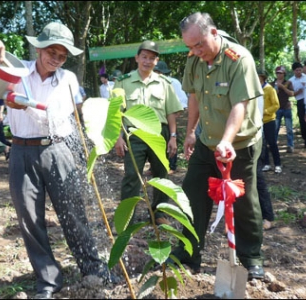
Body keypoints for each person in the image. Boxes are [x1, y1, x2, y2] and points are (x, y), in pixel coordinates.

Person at [0, 22, 117, 299]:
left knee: (73, 213)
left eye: (62, 55)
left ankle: (93, 268)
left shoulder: (69, 78)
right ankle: (48, 280)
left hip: (60, 151)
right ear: (38, 48)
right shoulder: (16, 72)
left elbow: (78, 111)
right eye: (51, 51)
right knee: (29, 218)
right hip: (22, 151)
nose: (55, 59)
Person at [172, 12, 265, 280]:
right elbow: (194, 98)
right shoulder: (195, 60)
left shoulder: (239, 58)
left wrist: (227, 140)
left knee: (243, 200)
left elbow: (240, 104)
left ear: (214, 33)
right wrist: (190, 133)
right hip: (206, 142)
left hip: (240, 143)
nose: (196, 51)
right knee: (192, 195)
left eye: (199, 44)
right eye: (190, 47)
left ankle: (251, 258)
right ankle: (188, 253)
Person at [113, 41, 183, 226]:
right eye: (144, 56)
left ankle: (159, 212)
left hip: (160, 134)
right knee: (131, 176)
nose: (147, 61)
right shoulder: (123, 82)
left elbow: (170, 112)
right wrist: (118, 137)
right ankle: (127, 218)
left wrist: (173, 137)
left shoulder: (164, 83)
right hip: (134, 134)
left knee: (161, 174)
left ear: (156, 60)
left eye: (152, 58)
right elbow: (116, 112)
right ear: (137, 58)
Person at [153, 60, 188, 174]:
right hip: (154, 118)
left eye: (159, 71)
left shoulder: (173, 82)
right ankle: (153, 166)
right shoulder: (150, 82)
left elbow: (182, 99)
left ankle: (172, 166)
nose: (157, 74)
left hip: (170, 115)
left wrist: (177, 112)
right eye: (155, 71)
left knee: (171, 139)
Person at [255, 73, 275, 230]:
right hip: (236, 142)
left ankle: (268, 217)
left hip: (254, 140)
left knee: (257, 179)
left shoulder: (257, 92)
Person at [258, 70, 282, 174]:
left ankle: (277, 164)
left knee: (272, 142)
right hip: (258, 121)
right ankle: (266, 164)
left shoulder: (269, 89)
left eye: (258, 77)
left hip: (269, 120)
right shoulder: (254, 89)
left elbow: (276, 105)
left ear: (262, 78)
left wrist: (266, 111)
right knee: (262, 144)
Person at [289, 62, 306, 148]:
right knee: (302, 120)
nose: (298, 71)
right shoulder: (291, 80)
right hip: (300, 101)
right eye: (296, 70)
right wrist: (298, 91)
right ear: (294, 71)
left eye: (300, 69)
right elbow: (291, 93)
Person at [273, 66, 295, 153]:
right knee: (275, 128)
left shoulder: (288, 83)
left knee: (289, 128)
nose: (279, 75)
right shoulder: (272, 83)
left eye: (281, 73)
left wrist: (282, 87)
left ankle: (290, 145)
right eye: (277, 73)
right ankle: (273, 145)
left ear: (284, 74)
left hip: (286, 107)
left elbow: (291, 93)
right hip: (276, 108)